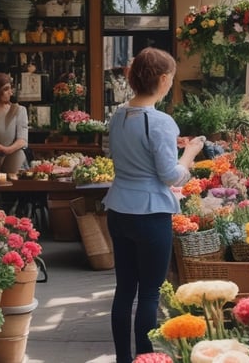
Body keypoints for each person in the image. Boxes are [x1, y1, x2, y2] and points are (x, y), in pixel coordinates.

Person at [101, 47, 204, 363]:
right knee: (149, 293)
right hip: (151, 213)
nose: (171, 82)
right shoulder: (160, 122)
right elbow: (170, 175)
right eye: (171, 77)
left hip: (119, 208)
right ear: (162, 79)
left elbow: (117, 156)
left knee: (124, 290)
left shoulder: (118, 115)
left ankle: (122, 359)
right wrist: (190, 154)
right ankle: (144, 358)